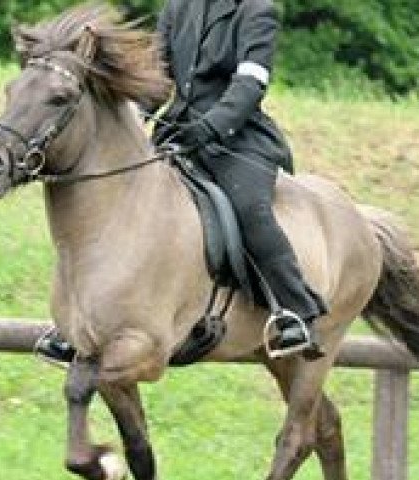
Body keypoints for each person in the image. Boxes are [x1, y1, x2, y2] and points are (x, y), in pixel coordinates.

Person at [36, 0, 327, 365]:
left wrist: (211, 127)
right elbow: (159, 78)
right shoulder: (179, 9)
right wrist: (138, 113)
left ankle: (294, 310)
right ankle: (82, 323)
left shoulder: (255, 11)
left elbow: (250, 85)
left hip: (237, 141)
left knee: (249, 211)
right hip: (180, 133)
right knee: (117, 205)